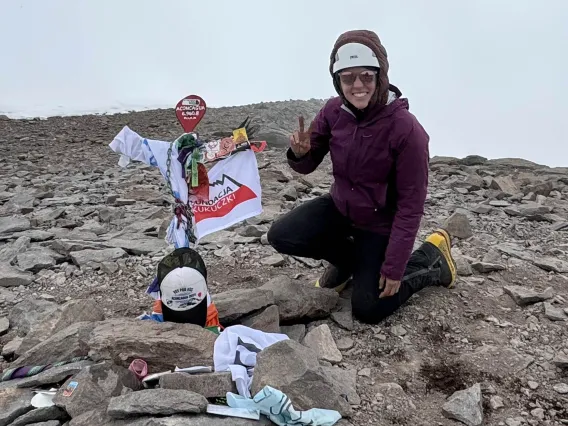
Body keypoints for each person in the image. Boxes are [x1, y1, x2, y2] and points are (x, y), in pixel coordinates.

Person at [266, 29, 457, 325]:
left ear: (380, 76)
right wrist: (301, 153)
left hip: (380, 225)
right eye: (348, 77)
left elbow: (410, 206)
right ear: (337, 80)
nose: (357, 86)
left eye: (366, 76)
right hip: (341, 208)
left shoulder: (406, 130)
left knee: (368, 308)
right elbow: (307, 166)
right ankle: (348, 262)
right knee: (281, 235)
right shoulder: (333, 110)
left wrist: (394, 268)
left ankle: (431, 259)